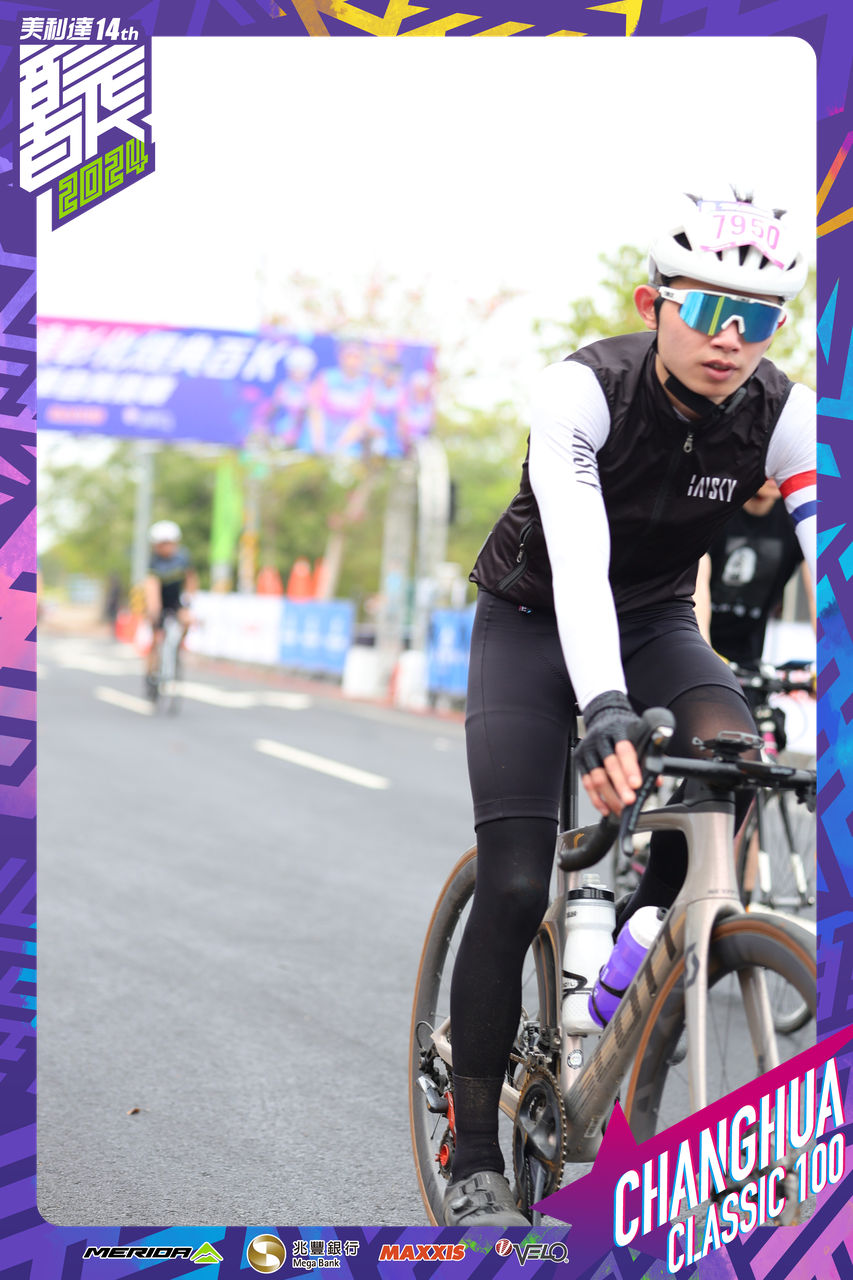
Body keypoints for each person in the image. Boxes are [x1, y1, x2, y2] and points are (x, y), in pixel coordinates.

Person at [443, 187, 815, 1227]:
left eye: (759, 318)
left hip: (654, 621)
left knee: (733, 754)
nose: (732, 339)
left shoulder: (783, 413)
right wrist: (603, 704)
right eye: (711, 310)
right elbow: (576, 559)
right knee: (516, 880)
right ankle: (472, 1151)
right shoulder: (584, 389)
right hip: (532, 619)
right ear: (654, 304)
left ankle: (639, 945)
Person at [694, 477, 815, 668]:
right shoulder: (716, 512)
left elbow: (820, 595)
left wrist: (836, 659)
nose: (774, 474)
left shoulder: (795, 520)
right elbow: (696, 588)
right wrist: (703, 658)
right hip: (698, 648)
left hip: (749, 658)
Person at [143, 520, 197, 696]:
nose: (167, 547)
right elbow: (152, 587)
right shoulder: (154, 562)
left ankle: (179, 645)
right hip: (159, 599)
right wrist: (154, 611)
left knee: (187, 619)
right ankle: (151, 674)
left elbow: (190, 580)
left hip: (176, 600)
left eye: (170, 543)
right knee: (156, 636)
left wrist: (188, 602)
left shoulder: (182, 558)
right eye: (162, 544)